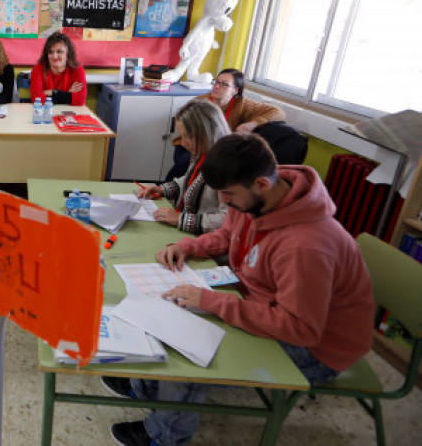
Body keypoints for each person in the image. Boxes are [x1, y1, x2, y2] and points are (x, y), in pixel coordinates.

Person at [107, 134, 375, 446]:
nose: (222, 202)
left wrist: (214, 303)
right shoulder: (258, 196)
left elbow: (300, 328)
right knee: (173, 311)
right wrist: (187, 245)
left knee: (190, 346)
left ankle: (164, 436)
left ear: (261, 184)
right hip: (265, 304)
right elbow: (227, 235)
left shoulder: (307, 246)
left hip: (318, 348)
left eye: (228, 194)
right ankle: (149, 389)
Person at [166, 68, 285, 181]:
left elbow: (278, 112)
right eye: (216, 82)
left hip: (221, 148)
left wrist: (253, 123)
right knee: (184, 163)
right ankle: (167, 192)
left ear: (235, 90)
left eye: (224, 84)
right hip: (193, 144)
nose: (217, 86)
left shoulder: (242, 104)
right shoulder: (200, 101)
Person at [136, 100, 230, 235]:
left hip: (205, 240)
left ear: (209, 133)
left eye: (189, 136)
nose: (183, 143)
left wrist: (180, 219)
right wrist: (162, 189)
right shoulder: (203, 153)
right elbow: (190, 180)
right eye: (182, 135)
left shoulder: (227, 167)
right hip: (188, 233)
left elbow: (227, 220)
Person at [29, 31, 86, 106]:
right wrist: (67, 95)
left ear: (68, 53)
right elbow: (36, 99)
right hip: (45, 113)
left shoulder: (77, 70)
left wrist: (53, 92)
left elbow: (80, 100)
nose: (55, 56)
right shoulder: (38, 69)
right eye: (51, 52)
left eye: (59, 52)